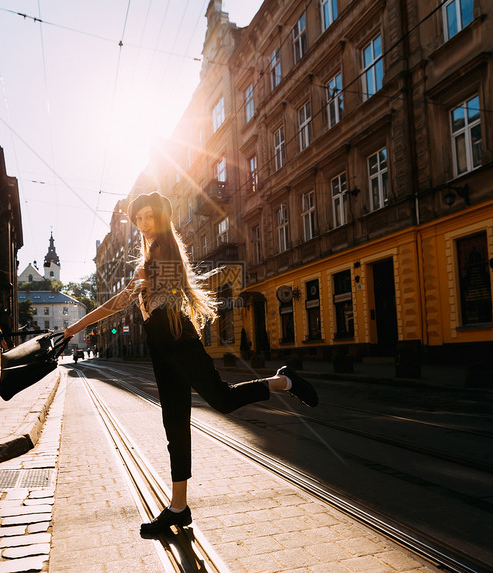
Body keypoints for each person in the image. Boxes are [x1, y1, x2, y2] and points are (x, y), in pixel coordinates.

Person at [64, 192, 318, 536]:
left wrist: (79, 324)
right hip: (160, 345)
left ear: (162, 218)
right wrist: (75, 328)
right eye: (139, 219)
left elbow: (126, 302)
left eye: (149, 216)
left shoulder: (164, 253)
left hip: (176, 339)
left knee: (222, 400)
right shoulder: (150, 257)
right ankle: (178, 507)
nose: (144, 224)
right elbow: (129, 301)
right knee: (176, 426)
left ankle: (283, 381)